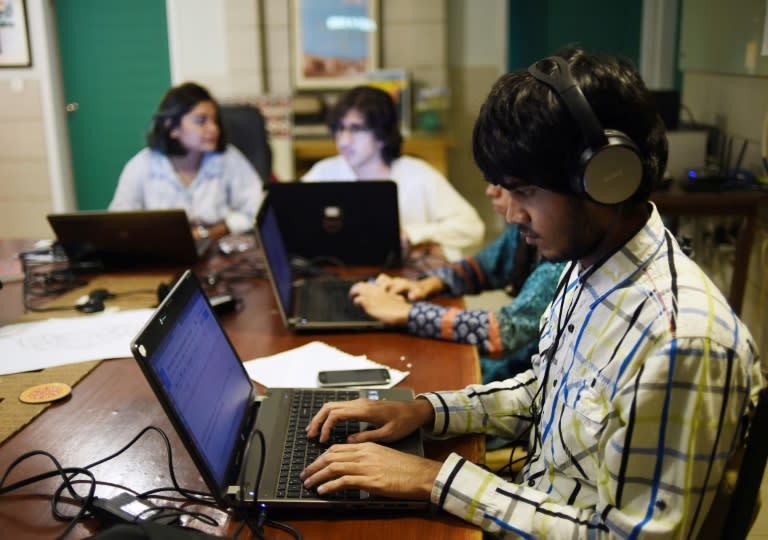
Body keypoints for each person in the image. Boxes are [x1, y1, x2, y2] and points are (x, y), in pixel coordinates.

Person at [299, 48, 764, 538]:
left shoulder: (680, 343)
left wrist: (437, 479)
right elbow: (543, 391)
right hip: (531, 500)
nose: (511, 214)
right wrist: (424, 411)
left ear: (607, 178)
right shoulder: (589, 263)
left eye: (525, 192)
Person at [350, 182, 565, 385]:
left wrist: (406, 312)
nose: (491, 191)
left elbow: (504, 333)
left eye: (504, 183)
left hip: (524, 380)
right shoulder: (522, 232)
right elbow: (483, 266)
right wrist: (427, 284)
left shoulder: (560, 260)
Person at [301, 85, 484, 261]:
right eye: (340, 128)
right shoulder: (324, 171)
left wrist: (412, 233)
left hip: (403, 279)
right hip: (337, 273)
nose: (343, 140)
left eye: (356, 129)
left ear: (382, 135)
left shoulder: (418, 174)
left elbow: (472, 229)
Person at [109, 82, 265, 242]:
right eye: (201, 120)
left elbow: (258, 209)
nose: (214, 128)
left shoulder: (228, 158)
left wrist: (220, 229)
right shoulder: (142, 166)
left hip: (219, 251)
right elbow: (119, 224)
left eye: (215, 120)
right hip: (162, 254)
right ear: (172, 126)